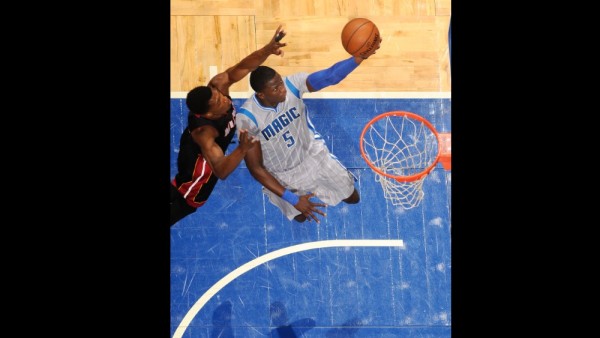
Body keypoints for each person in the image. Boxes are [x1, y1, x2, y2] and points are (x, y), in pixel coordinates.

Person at [236, 35, 382, 223]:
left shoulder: (292, 86)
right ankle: (292, 203)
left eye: (280, 83)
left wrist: (358, 58)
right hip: (281, 173)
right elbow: (255, 168)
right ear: (261, 94)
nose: (282, 89)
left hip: (313, 157)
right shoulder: (247, 119)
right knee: (301, 217)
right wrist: (293, 199)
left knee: (352, 197)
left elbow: (330, 76)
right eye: (275, 88)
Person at [170, 26, 288, 226]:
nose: (224, 100)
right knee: (189, 198)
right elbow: (221, 171)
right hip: (189, 190)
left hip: (186, 176)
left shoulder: (217, 86)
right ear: (207, 114)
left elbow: (243, 67)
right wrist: (242, 148)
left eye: (219, 96)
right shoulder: (204, 132)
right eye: (218, 102)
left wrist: (267, 50)